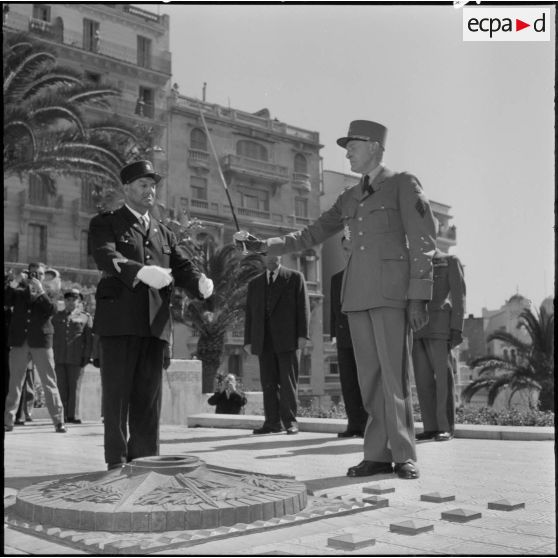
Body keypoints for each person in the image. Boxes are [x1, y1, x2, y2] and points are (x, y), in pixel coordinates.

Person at [235, 120, 437, 479]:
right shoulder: (348, 196)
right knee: (369, 379)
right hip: (357, 295)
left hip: (392, 294)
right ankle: (376, 453)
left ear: (374, 146)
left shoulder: (402, 183)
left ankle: (403, 453)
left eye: (352, 145)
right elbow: (312, 233)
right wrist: (265, 245)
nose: (347, 152)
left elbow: (423, 241)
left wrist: (419, 296)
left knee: (394, 376)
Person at [88, 159, 214, 470]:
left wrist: (199, 282)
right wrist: (140, 271)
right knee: (116, 396)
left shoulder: (164, 233)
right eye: (143, 185)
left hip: (154, 325)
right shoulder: (107, 223)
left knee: (148, 399)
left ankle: (143, 459)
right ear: (126, 188)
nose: (150, 191)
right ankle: (115, 462)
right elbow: (105, 255)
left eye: (153, 185)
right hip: (119, 324)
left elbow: (182, 267)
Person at [244, 255, 310, 435]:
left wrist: (303, 335)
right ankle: (271, 423)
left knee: (288, 382)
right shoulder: (255, 283)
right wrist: (248, 340)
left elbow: (303, 308)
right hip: (263, 340)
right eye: (267, 254)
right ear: (263, 259)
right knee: (268, 383)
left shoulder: (295, 277)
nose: (272, 257)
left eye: (276, 253)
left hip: (288, 339)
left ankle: (290, 422)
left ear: (281, 256)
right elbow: (250, 313)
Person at [4, 263, 67, 433]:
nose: (36, 276)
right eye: (33, 273)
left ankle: (58, 421)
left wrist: (40, 291)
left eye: (39, 273)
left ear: (44, 275)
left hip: (41, 341)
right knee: (15, 382)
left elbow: (51, 309)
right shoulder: (18, 289)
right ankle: (8, 421)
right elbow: (6, 299)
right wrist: (16, 281)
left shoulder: (50, 289)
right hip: (20, 340)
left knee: (49, 381)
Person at [412, 249, 466, 442]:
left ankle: (445, 427)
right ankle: (430, 427)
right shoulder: (414, 260)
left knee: (443, 380)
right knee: (422, 380)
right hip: (417, 328)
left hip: (441, 326)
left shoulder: (449, 260)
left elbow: (459, 296)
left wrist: (457, 328)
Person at [331, 238, 367, 438]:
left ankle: (369, 425)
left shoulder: (368, 275)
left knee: (366, 382)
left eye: (351, 249)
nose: (348, 253)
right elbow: (334, 312)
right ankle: (354, 424)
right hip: (344, 337)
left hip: (364, 336)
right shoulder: (336, 278)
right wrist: (334, 335)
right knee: (348, 382)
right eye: (345, 249)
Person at [52, 288, 93, 424]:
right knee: (61, 386)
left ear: (79, 301)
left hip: (76, 358)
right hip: (59, 357)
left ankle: (73, 415)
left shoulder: (85, 317)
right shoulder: (56, 316)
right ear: (64, 301)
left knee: (75, 386)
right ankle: (61, 415)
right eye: (68, 300)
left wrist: (87, 357)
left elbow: (89, 339)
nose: (70, 302)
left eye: (74, 300)